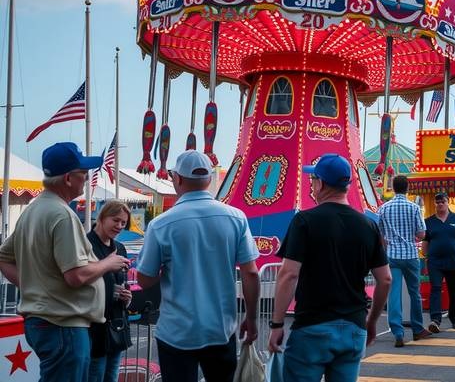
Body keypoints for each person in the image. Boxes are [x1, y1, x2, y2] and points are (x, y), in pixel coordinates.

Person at [0, 142, 130, 382]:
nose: (86, 179)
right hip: (63, 325)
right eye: (84, 174)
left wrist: (34, 286)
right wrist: (107, 264)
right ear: (69, 178)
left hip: (46, 322)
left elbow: (4, 258)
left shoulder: (33, 209)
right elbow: (76, 276)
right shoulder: (62, 215)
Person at [137, 151, 260, 382]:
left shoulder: (161, 224)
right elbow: (251, 272)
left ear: (178, 179)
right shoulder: (236, 218)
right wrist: (251, 318)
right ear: (208, 180)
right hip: (220, 329)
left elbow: (145, 279)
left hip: (176, 332)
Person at [268, 154, 391, 381]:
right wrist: (372, 321)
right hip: (353, 327)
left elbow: (288, 274)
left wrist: (276, 324)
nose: (311, 185)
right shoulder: (368, 225)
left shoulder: (304, 221)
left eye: (313, 179)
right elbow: (385, 279)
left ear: (321, 183)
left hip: (312, 327)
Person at [377, 175, 431, 347]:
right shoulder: (414, 207)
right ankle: (417, 329)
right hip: (410, 255)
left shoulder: (384, 208)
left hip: (392, 256)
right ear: (407, 188)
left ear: (393, 188)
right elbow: (422, 234)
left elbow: (380, 235)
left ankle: (398, 332)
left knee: (394, 294)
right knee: (415, 293)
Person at [87, 200, 133, 382]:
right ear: (102, 217)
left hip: (116, 325)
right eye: (116, 220)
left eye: (123, 223)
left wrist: (127, 298)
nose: (120, 226)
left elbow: (124, 282)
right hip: (93, 328)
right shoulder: (85, 244)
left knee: (111, 377)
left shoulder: (120, 248)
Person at [423, 191, 455, 333]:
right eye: (437, 202)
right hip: (435, 262)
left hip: (453, 261)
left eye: (442, 202)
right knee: (436, 289)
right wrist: (426, 256)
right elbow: (425, 241)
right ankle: (435, 320)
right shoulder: (429, 221)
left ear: (447, 202)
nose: (440, 204)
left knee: (454, 292)